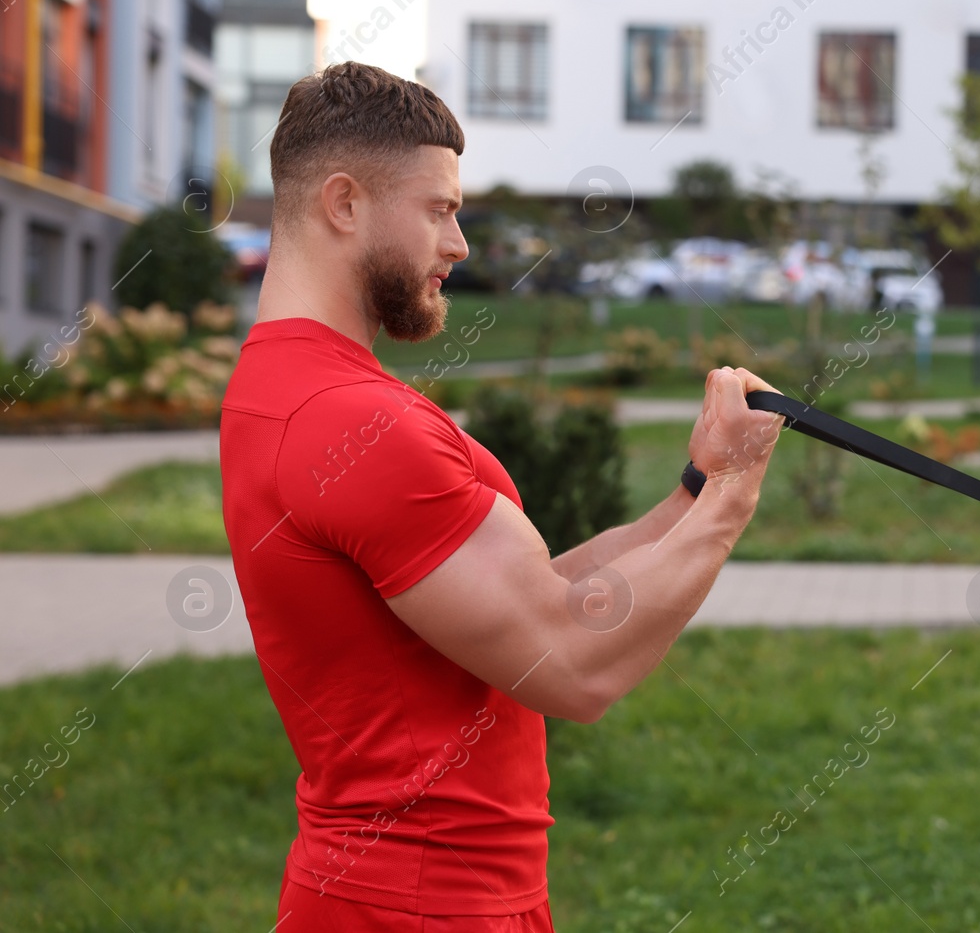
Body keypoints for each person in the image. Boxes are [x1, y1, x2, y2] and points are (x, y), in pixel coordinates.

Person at [219, 61, 783, 932]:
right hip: (419, 904)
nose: (460, 244)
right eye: (440, 210)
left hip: (409, 894)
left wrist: (696, 487)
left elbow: (535, 600)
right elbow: (572, 663)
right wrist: (735, 497)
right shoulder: (348, 422)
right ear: (344, 204)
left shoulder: (287, 387)